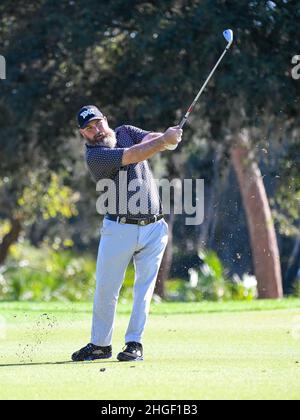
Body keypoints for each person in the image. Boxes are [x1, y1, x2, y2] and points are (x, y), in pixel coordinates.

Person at [72, 105, 182, 362]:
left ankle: (134, 343)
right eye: (89, 128)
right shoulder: (95, 157)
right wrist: (164, 141)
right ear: (83, 134)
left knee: (144, 290)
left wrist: (168, 139)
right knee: (106, 290)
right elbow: (133, 155)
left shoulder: (126, 131)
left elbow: (150, 139)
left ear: (105, 120)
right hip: (119, 228)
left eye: (98, 123)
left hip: (155, 228)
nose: (96, 131)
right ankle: (100, 345)